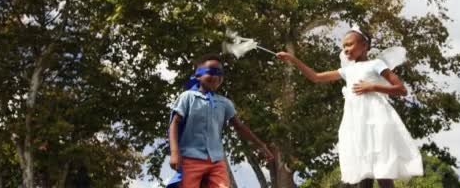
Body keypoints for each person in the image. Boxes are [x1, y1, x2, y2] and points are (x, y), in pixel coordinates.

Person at [276, 27, 423, 188]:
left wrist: (372, 87)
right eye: (343, 46)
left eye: (350, 44)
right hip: (356, 123)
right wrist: (292, 59)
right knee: (363, 170)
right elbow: (316, 77)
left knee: (381, 169)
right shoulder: (347, 70)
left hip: (375, 120)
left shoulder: (376, 64)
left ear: (364, 45)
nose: (346, 49)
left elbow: (401, 89)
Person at [168, 54, 274, 188]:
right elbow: (174, 123)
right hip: (191, 159)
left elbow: (239, 126)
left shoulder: (225, 103)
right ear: (198, 76)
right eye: (211, 72)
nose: (216, 76)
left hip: (216, 161)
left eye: (220, 73)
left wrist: (261, 145)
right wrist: (174, 152)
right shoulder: (187, 97)